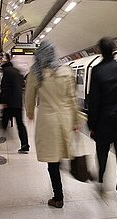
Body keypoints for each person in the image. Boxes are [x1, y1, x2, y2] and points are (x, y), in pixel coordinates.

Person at [25, 41, 80, 208]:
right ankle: (61, 181)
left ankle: (58, 197)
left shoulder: (36, 72)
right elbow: (72, 98)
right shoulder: (66, 70)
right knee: (61, 151)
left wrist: (29, 113)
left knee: (52, 161)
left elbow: (29, 96)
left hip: (47, 119)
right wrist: (76, 120)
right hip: (65, 117)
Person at [88, 37, 117, 201]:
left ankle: (101, 180)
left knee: (102, 153)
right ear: (114, 50)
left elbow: (94, 101)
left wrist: (92, 124)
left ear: (100, 51)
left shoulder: (97, 71)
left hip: (104, 122)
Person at [0, 53, 30, 153]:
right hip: (18, 103)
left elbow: (5, 88)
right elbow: (21, 85)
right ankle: (25, 144)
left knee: (4, 122)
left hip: (9, 103)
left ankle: (3, 138)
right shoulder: (16, 71)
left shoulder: (6, 72)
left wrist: (2, 101)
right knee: (20, 124)